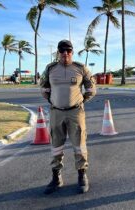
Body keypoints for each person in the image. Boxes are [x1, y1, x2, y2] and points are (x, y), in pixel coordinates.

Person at [40, 39, 96, 195]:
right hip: (56, 112)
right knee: (56, 145)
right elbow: (43, 86)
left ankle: (82, 176)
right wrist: (52, 99)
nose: (65, 53)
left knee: (79, 145)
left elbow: (91, 88)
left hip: (75, 113)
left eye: (68, 50)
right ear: (58, 52)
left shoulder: (80, 68)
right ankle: (56, 177)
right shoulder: (50, 68)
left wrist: (81, 101)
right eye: (62, 50)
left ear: (72, 52)